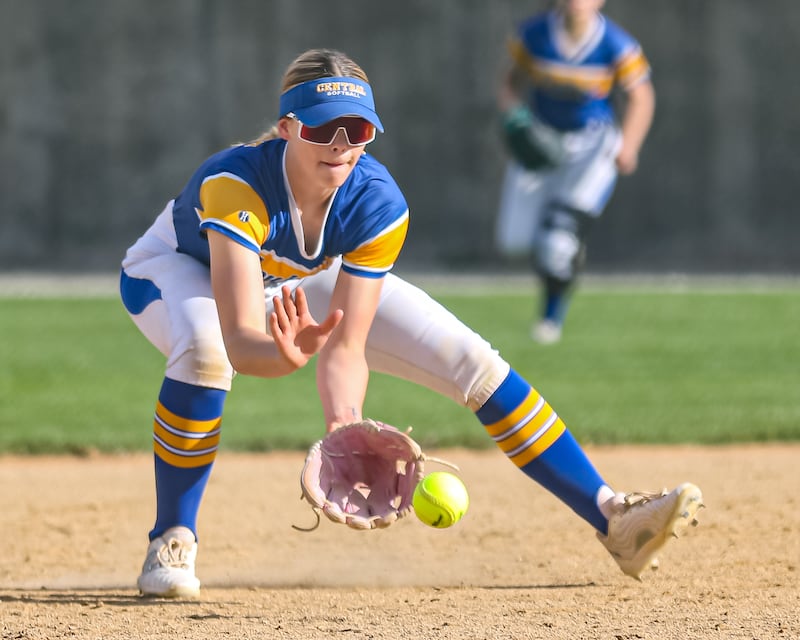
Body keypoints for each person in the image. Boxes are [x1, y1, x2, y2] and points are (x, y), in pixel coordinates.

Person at [120, 48, 699, 599]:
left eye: (359, 130)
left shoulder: (377, 202)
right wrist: (284, 358)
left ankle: (612, 516)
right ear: (290, 126)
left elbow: (347, 346)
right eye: (324, 129)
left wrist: (344, 427)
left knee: (471, 361)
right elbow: (243, 340)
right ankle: (172, 539)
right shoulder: (237, 184)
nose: (343, 146)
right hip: (175, 273)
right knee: (204, 351)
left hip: (288, 283)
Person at [495, 0, 656, 344]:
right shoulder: (534, 34)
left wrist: (629, 146)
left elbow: (642, 96)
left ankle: (550, 317)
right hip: (542, 138)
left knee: (558, 241)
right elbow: (511, 83)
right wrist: (514, 117)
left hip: (592, 145)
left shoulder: (616, 44)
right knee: (514, 241)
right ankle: (565, 254)